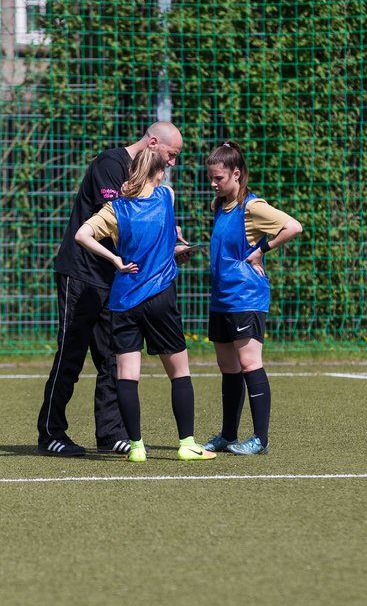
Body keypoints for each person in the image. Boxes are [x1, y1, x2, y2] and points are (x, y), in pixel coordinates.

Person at [37, 122, 183, 456]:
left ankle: (110, 433)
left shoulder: (145, 179)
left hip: (113, 279)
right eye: (171, 155)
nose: (172, 163)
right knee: (71, 354)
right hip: (82, 274)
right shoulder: (110, 165)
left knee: (113, 357)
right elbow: (119, 219)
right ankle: (51, 433)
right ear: (153, 143)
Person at [74, 147, 215, 463]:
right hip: (160, 297)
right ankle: (187, 443)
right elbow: (158, 235)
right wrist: (173, 249)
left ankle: (136, 446)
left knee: (126, 375)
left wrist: (115, 259)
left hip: (124, 299)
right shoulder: (167, 196)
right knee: (179, 373)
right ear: (159, 173)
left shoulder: (115, 209)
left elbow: (82, 235)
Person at [198, 141, 303, 455]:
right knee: (227, 367)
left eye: (219, 178)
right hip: (221, 299)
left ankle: (260, 440)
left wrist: (261, 252)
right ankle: (228, 435)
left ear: (237, 174)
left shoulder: (253, 206)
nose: (213, 184)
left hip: (247, 297)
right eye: (211, 178)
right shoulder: (219, 205)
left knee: (248, 363)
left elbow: (292, 226)